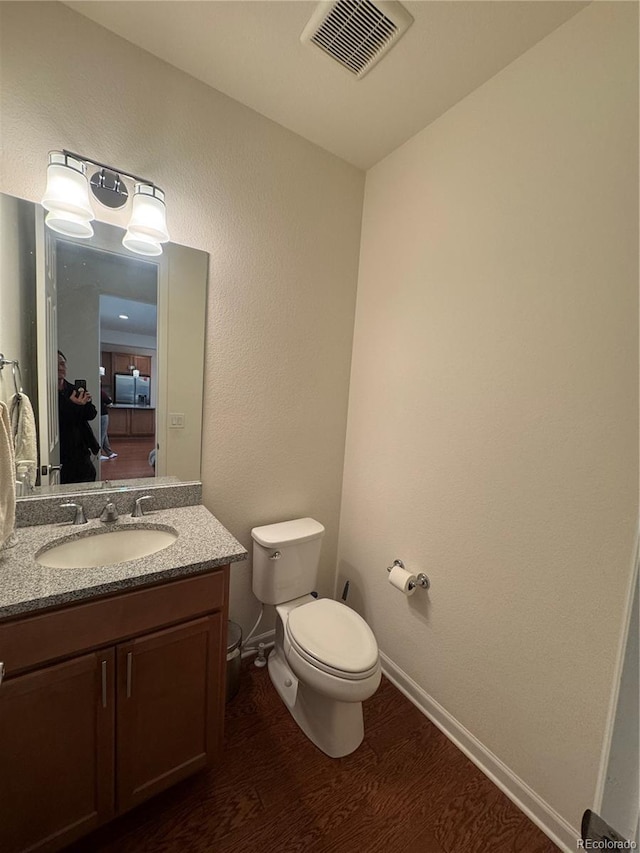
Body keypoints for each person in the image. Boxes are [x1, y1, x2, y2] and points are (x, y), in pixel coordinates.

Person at [57, 350, 100, 483]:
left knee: (89, 476)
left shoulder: (74, 390)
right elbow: (60, 418)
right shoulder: (47, 393)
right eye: (57, 364)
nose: (60, 368)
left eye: (63, 364)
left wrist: (84, 404)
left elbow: (91, 415)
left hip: (80, 446)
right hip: (61, 448)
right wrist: (73, 404)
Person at [99, 382, 117, 461]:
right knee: (102, 435)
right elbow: (109, 403)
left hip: (98, 415)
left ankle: (109, 453)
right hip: (103, 415)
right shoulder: (101, 393)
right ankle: (98, 454)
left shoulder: (94, 392)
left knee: (104, 434)